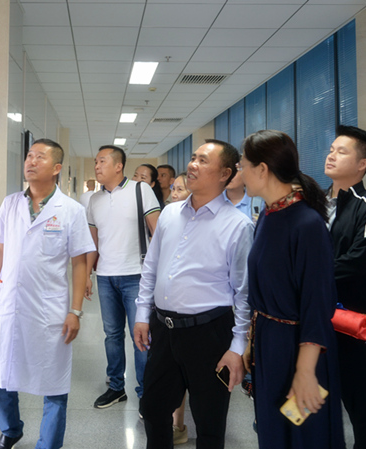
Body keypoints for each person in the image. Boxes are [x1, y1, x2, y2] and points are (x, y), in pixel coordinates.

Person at [134, 139, 253, 448]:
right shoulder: (170, 214)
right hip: (164, 329)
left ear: (225, 173)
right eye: (193, 158)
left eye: (203, 160)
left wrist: (237, 347)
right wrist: (142, 315)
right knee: (153, 409)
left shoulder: (238, 225)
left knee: (209, 421)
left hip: (209, 333)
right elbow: (151, 267)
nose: (192, 165)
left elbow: (243, 293)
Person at [0, 138, 95, 449]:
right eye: (29, 156)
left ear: (56, 168)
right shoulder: (10, 203)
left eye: (39, 157)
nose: (30, 161)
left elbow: (80, 262)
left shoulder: (71, 210)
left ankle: (48, 445)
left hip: (48, 311)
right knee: (0, 377)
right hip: (7, 303)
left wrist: (75, 311)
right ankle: (11, 429)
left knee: (53, 384)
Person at [240, 130, 345, 448]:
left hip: (299, 348)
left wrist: (305, 372)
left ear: (262, 169)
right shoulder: (267, 216)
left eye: (243, 166)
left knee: (303, 437)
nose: (240, 174)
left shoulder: (307, 224)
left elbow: (318, 304)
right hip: (269, 344)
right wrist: (252, 342)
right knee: (273, 432)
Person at [324, 125, 366, 449]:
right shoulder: (313, 203)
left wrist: (308, 277)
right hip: (311, 314)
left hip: (350, 320)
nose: (331, 155)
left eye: (342, 151)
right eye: (331, 149)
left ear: (363, 163)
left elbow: (357, 260)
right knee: (309, 392)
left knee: (359, 399)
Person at [86, 145, 161, 410]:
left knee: (141, 336)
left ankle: (146, 393)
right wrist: (87, 274)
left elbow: (159, 234)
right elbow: (93, 242)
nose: (97, 166)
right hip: (106, 277)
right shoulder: (94, 200)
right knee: (112, 335)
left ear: (118, 166)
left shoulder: (141, 190)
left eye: (102, 161)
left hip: (136, 275)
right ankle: (116, 387)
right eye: (96, 162)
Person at [166, 171, 191, 445]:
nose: (174, 194)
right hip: (169, 311)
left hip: (201, 315)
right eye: (173, 189)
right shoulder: (168, 218)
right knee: (175, 375)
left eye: (180, 189)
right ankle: (177, 424)